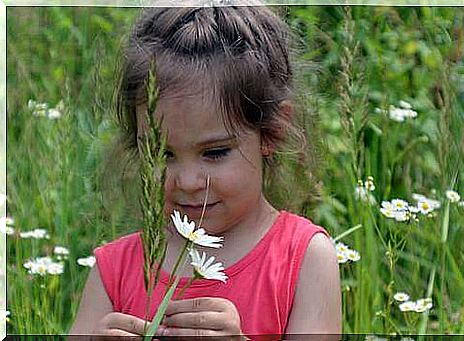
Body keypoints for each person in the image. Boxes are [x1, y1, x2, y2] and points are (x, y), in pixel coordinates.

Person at [69, 6, 341, 339]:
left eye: (214, 153)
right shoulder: (114, 271)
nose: (186, 181)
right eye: (162, 153)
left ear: (273, 131)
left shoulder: (304, 260)